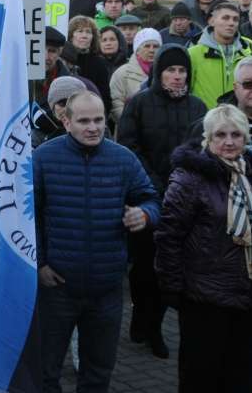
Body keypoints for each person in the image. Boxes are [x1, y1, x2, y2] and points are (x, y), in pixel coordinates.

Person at [33, 91, 160, 393]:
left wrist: (144, 215)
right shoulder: (44, 158)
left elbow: (151, 198)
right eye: (84, 121)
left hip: (106, 289)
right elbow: (28, 215)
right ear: (66, 122)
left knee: (98, 373)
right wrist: (39, 263)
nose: (93, 127)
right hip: (57, 287)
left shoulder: (123, 159)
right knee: (45, 371)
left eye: (99, 120)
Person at [156, 104, 252, 392]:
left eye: (236, 135)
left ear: (245, 138)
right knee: (201, 378)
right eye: (220, 135)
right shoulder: (189, 178)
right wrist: (173, 288)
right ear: (207, 138)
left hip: (251, 297)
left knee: (245, 379)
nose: (229, 142)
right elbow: (169, 236)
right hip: (205, 299)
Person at [116, 44, 207, 359]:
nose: (177, 76)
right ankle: (140, 318)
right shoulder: (139, 103)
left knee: (170, 269)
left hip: (185, 199)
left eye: (182, 71)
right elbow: (128, 147)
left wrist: (182, 184)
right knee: (144, 269)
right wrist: (156, 185)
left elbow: (201, 149)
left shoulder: (198, 107)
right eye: (171, 70)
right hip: (147, 199)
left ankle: (154, 327)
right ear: (158, 73)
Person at [189, 0, 252, 109]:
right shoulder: (193, 53)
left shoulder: (247, 53)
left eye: (235, 19)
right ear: (212, 21)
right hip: (204, 121)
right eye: (225, 18)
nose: (231, 23)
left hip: (238, 120)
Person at [109, 28, 161, 125]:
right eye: (147, 46)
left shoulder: (166, 72)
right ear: (137, 50)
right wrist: (130, 124)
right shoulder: (122, 73)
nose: (151, 50)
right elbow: (116, 104)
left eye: (156, 46)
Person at [62, 15, 113, 112]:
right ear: (71, 35)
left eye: (88, 32)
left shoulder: (99, 62)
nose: (84, 35)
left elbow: (105, 96)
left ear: (93, 37)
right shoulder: (62, 60)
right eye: (80, 31)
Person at [34, 76, 87, 147]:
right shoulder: (37, 136)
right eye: (62, 103)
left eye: (74, 102)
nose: (67, 109)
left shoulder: (95, 130)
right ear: (52, 106)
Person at [31, 27, 71, 109]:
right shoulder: (17, 78)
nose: (45, 57)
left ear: (59, 53)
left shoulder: (67, 84)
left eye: (52, 51)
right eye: (40, 49)